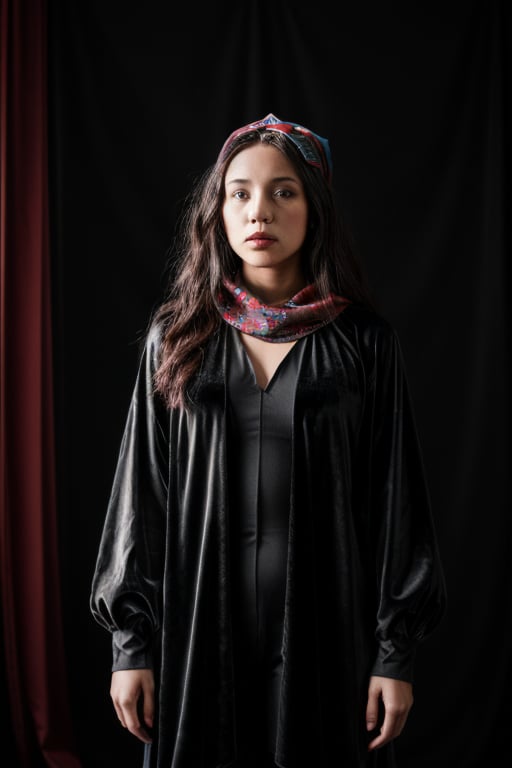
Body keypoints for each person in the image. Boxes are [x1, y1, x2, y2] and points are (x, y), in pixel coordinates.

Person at [90, 113, 447, 768]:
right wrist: (130, 647)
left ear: (315, 207)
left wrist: (395, 656)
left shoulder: (365, 345)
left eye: (284, 190)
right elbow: (141, 498)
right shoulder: (175, 341)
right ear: (219, 212)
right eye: (241, 192)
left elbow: (399, 505)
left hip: (327, 640)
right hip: (197, 640)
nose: (260, 210)